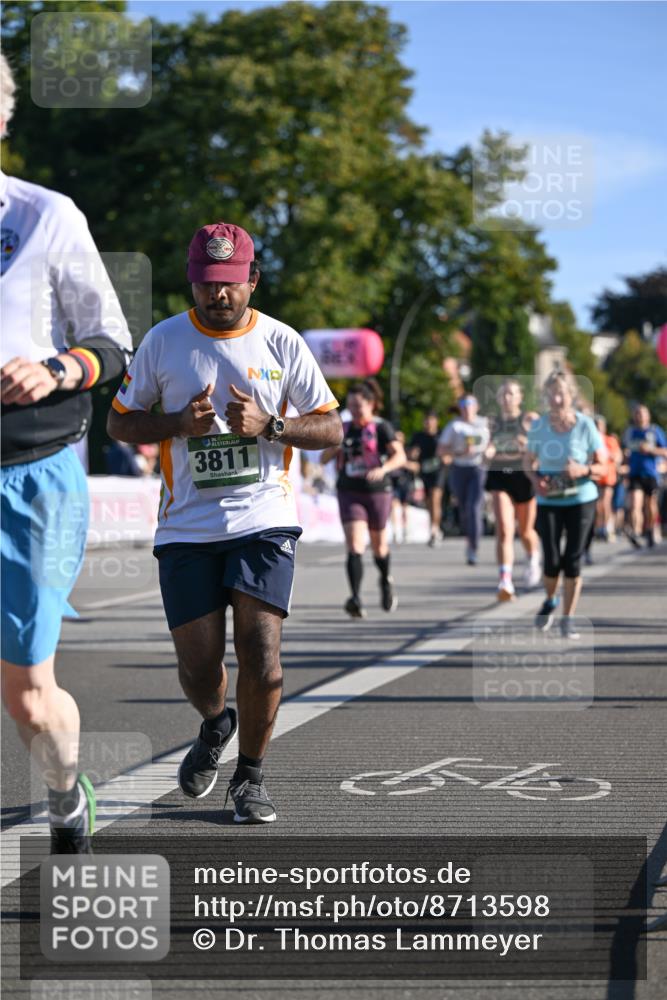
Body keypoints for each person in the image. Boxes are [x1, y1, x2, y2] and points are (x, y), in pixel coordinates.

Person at [107, 221, 341, 824]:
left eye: (231, 284)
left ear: (252, 281)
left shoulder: (282, 342)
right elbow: (119, 423)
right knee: (200, 667)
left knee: (262, 658)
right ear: (193, 281)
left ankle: (251, 777)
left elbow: (332, 429)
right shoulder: (162, 342)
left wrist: (272, 426)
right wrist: (178, 425)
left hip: (264, 518)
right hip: (187, 527)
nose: (219, 296)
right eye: (208, 283)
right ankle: (216, 724)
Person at [0, 55, 132, 853]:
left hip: (29, 476)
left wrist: (54, 368)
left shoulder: (45, 215)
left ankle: (62, 790)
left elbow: (111, 343)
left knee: (29, 701)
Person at [523, 371, 606, 639]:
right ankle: (550, 600)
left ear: (571, 395)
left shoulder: (585, 425)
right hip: (549, 499)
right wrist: (535, 480)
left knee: (572, 560)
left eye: (561, 393)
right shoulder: (539, 427)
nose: (557, 399)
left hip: (581, 498)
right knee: (551, 560)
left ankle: (568, 618)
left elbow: (605, 464)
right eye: (551, 394)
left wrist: (582, 470)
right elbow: (527, 461)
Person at [322, 383, 406, 619]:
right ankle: (355, 597)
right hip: (349, 490)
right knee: (355, 545)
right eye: (350, 406)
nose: (355, 410)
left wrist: (384, 468)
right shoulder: (343, 428)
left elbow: (400, 456)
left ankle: (385, 580)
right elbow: (323, 458)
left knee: (379, 546)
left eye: (359, 405)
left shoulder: (381, 427)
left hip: (377, 491)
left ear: (371, 404)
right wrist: (336, 446)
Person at [484, 379, 541, 600]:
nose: (507, 398)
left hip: (524, 477)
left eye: (511, 394)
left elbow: (541, 448)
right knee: (505, 529)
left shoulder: (529, 420)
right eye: (503, 394)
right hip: (500, 476)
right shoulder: (492, 423)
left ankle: (533, 557)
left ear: (520, 398)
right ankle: (505, 581)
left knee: (525, 531)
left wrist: (525, 445)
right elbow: (487, 446)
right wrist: (487, 452)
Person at [437, 395, 490, 565]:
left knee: (474, 506)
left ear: (477, 406)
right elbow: (441, 450)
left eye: (470, 404)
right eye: (463, 404)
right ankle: (469, 539)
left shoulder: (484, 424)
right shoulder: (454, 426)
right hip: (459, 468)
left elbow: (494, 442)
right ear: (459, 407)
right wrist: (459, 452)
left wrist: (490, 450)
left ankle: (473, 547)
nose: (467, 408)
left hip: (478, 468)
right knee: (464, 508)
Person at [622, 404, 667, 548]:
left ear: (648, 416)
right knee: (635, 502)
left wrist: (651, 449)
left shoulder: (655, 431)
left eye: (642, 413)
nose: (639, 416)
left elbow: (665, 451)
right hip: (635, 473)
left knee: (651, 505)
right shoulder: (630, 432)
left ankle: (650, 529)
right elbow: (624, 452)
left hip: (651, 474)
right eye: (637, 413)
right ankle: (636, 532)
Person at [409, 411, 445, 547]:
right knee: (429, 502)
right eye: (426, 420)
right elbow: (410, 453)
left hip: (439, 471)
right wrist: (412, 453)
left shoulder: (441, 435)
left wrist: (448, 457)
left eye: (431, 420)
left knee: (436, 499)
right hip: (424, 472)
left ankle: (434, 530)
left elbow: (450, 450)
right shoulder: (418, 436)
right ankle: (435, 525)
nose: (429, 423)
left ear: (436, 422)